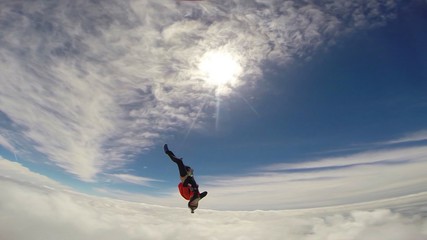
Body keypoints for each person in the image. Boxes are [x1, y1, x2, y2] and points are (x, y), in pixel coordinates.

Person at [164, 144, 207, 213]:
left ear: (189, 202)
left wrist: (189, 175)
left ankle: (167, 152)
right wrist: (199, 197)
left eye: (192, 204)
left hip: (185, 178)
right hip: (191, 177)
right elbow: (205, 193)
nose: (194, 203)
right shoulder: (198, 196)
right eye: (195, 204)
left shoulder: (187, 196)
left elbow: (185, 184)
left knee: (179, 162)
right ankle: (173, 155)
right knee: (185, 165)